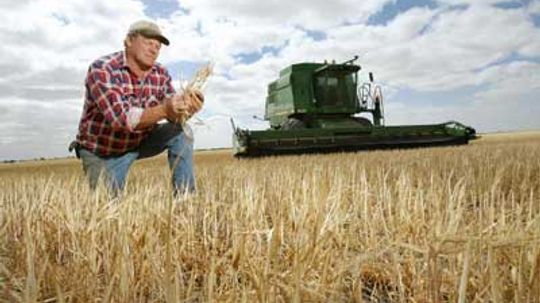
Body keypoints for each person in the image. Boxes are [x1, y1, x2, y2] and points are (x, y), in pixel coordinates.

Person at [70, 20, 203, 196]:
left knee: (182, 131)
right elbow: (121, 119)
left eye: (158, 46)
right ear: (129, 41)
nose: (154, 49)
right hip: (103, 151)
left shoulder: (160, 73)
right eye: (148, 42)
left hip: (138, 142)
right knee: (108, 211)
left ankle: (186, 199)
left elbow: (172, 114)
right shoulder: (103, 69)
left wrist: (186, 109)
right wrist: (165, 109)